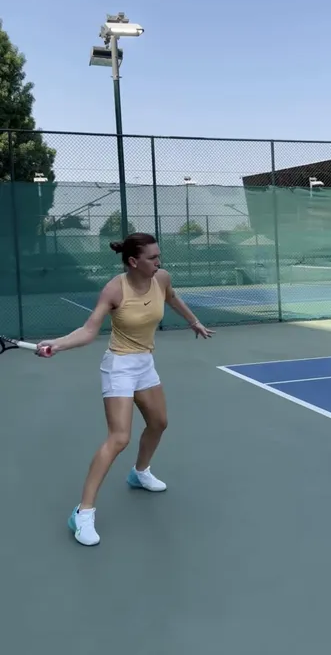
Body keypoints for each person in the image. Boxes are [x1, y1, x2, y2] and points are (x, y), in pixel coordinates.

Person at [37, 232, 214, 547]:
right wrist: (58, 344)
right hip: (119, 366)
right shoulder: (115, 289)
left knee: (159, 423)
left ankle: (139, 472)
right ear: (133, 261)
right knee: (119, 437)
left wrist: (193, 321)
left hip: (145, 363)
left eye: (159, 256)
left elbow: (172, 297)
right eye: (152, 257)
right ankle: (83, 513)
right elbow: (89, 330)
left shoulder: (161, 278)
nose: (159, 262)